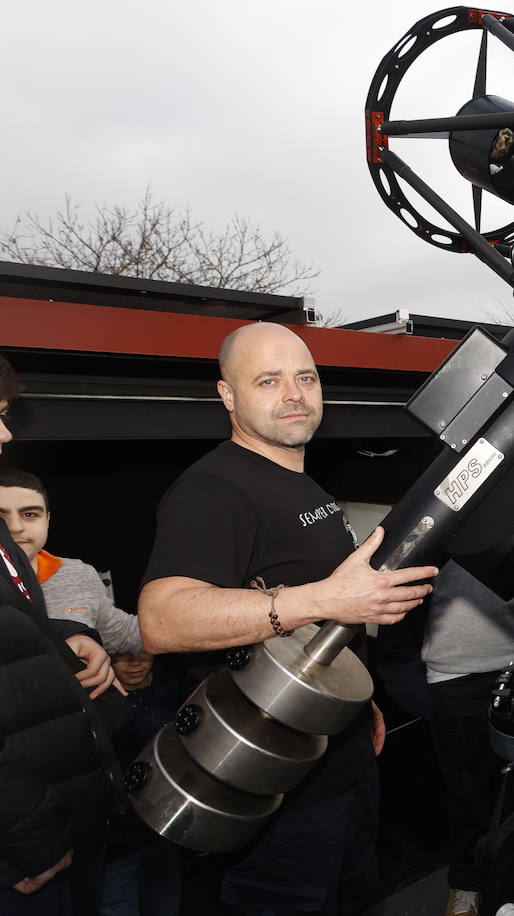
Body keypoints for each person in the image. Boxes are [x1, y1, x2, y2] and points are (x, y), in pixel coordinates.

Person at [137, 322, 439, 915]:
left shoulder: (302, 484)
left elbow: (307, 619)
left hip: (342, 767)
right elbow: (162, 619)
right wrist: (323, 598)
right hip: (282, 802)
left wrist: (351, 699)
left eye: (305, 377)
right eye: (269, 380)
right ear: (228, 396)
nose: (294, 393)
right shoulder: (215, 488)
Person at [1, 354, 125, 914]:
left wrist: (70, 641)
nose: (5, 432)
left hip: (69, 812)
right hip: (28, 846)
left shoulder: (66, 569)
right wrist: (33, 838)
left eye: (32, 514)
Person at [375, 559, 514, 916]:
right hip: (452, 680)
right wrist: (419, 695)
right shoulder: (436, 512)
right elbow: (396, 607)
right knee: (467, 798)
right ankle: (468, 884)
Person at [0, 468, 143, 653]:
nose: (15, 527)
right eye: (0, 518)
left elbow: (122, 633)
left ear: (47, 520)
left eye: (29, 514)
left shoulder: (76, 573)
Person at [97, 651, 185, 916]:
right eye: (122, 655)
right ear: (105, 657)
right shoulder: (92, 705)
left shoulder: (178, 692)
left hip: (166, 833)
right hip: (115, 846)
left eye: (141, 653)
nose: (134, 662)